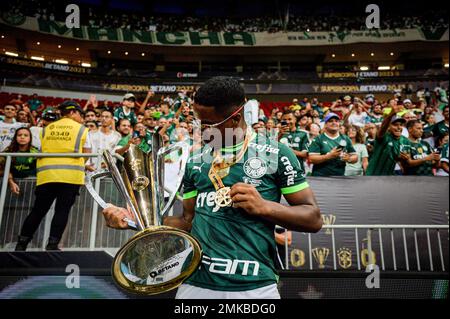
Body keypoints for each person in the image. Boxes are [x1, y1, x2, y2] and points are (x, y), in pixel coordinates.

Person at [102, 76, 322, 299]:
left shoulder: (276, 153)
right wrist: (134, 220)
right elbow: (187, 222)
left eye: (208, 124)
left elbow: (313, 218)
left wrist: (264, 207)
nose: (201, 130)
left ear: (235, 119)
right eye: (199, 122)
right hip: (195, 285)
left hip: (254, 286)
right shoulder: (196, 161)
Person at [15, 100, 92, 251]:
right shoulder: (82, 129)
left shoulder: (47, 128)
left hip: (47, 176)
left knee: (38, 211)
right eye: (79, 113)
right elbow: (87, 154)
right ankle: (52, 245)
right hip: (70, 177)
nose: (81, 117)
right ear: (71, 112)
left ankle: (21, 244)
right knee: (61, 211)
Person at [366, 106, 411, 176]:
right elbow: (383, 128)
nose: (399, 127)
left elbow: (404, 162)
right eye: (395, 125)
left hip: (389, 176)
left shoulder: (405, 141)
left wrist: (405, 159)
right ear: (389, 127)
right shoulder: (384, 137)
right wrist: (391, 114)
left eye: (401, 125)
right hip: (373, 174)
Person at [0, 127, 39, 195]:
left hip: (31, 187)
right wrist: (10, 181)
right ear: (15, 137)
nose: (22, 137)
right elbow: (1, 169)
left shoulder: (36, 153)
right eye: (19, 135)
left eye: (26, 135)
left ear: (30, 138)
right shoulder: (8, 151)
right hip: (9, 187)